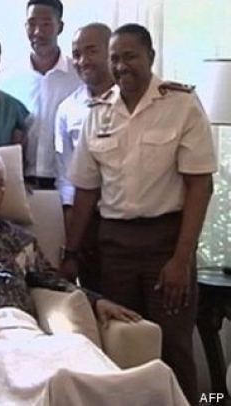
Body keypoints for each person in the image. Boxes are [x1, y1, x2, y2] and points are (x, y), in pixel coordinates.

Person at [0, 152, 188, 406]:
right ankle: (61, 390)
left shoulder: (20, 237)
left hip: (26, 330)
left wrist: (97, 301)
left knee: (76, 347)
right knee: (49, 378)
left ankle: (140, 389)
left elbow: (51, 280)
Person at [64, 23, 216, 402]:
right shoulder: (98, 112)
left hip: (167, 244)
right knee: (123, 345)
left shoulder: (181, 105)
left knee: (173, 345)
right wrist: (71, 253)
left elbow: (200, 186)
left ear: (150, 56)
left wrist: (181, 259)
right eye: (114, 58)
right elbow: (86, 191)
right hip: (114, 245)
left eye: (130, 56)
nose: (121, 66)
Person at [0, 0, 81, 189]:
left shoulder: (78, 76)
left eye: (46, 24)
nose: (38, 32)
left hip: (68, 183)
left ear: (60, 27)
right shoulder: (7, 79)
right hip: (20, 183)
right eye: (32, 24)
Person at [54, 23, 114, 291]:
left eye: (92, 51)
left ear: (111, 52)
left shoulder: (133, 101)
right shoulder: (68, 108)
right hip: (88, 223)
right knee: (96, 301)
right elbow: (67, 177)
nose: (83, 61)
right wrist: (72, 242)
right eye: (77, 54)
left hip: (131, 224)